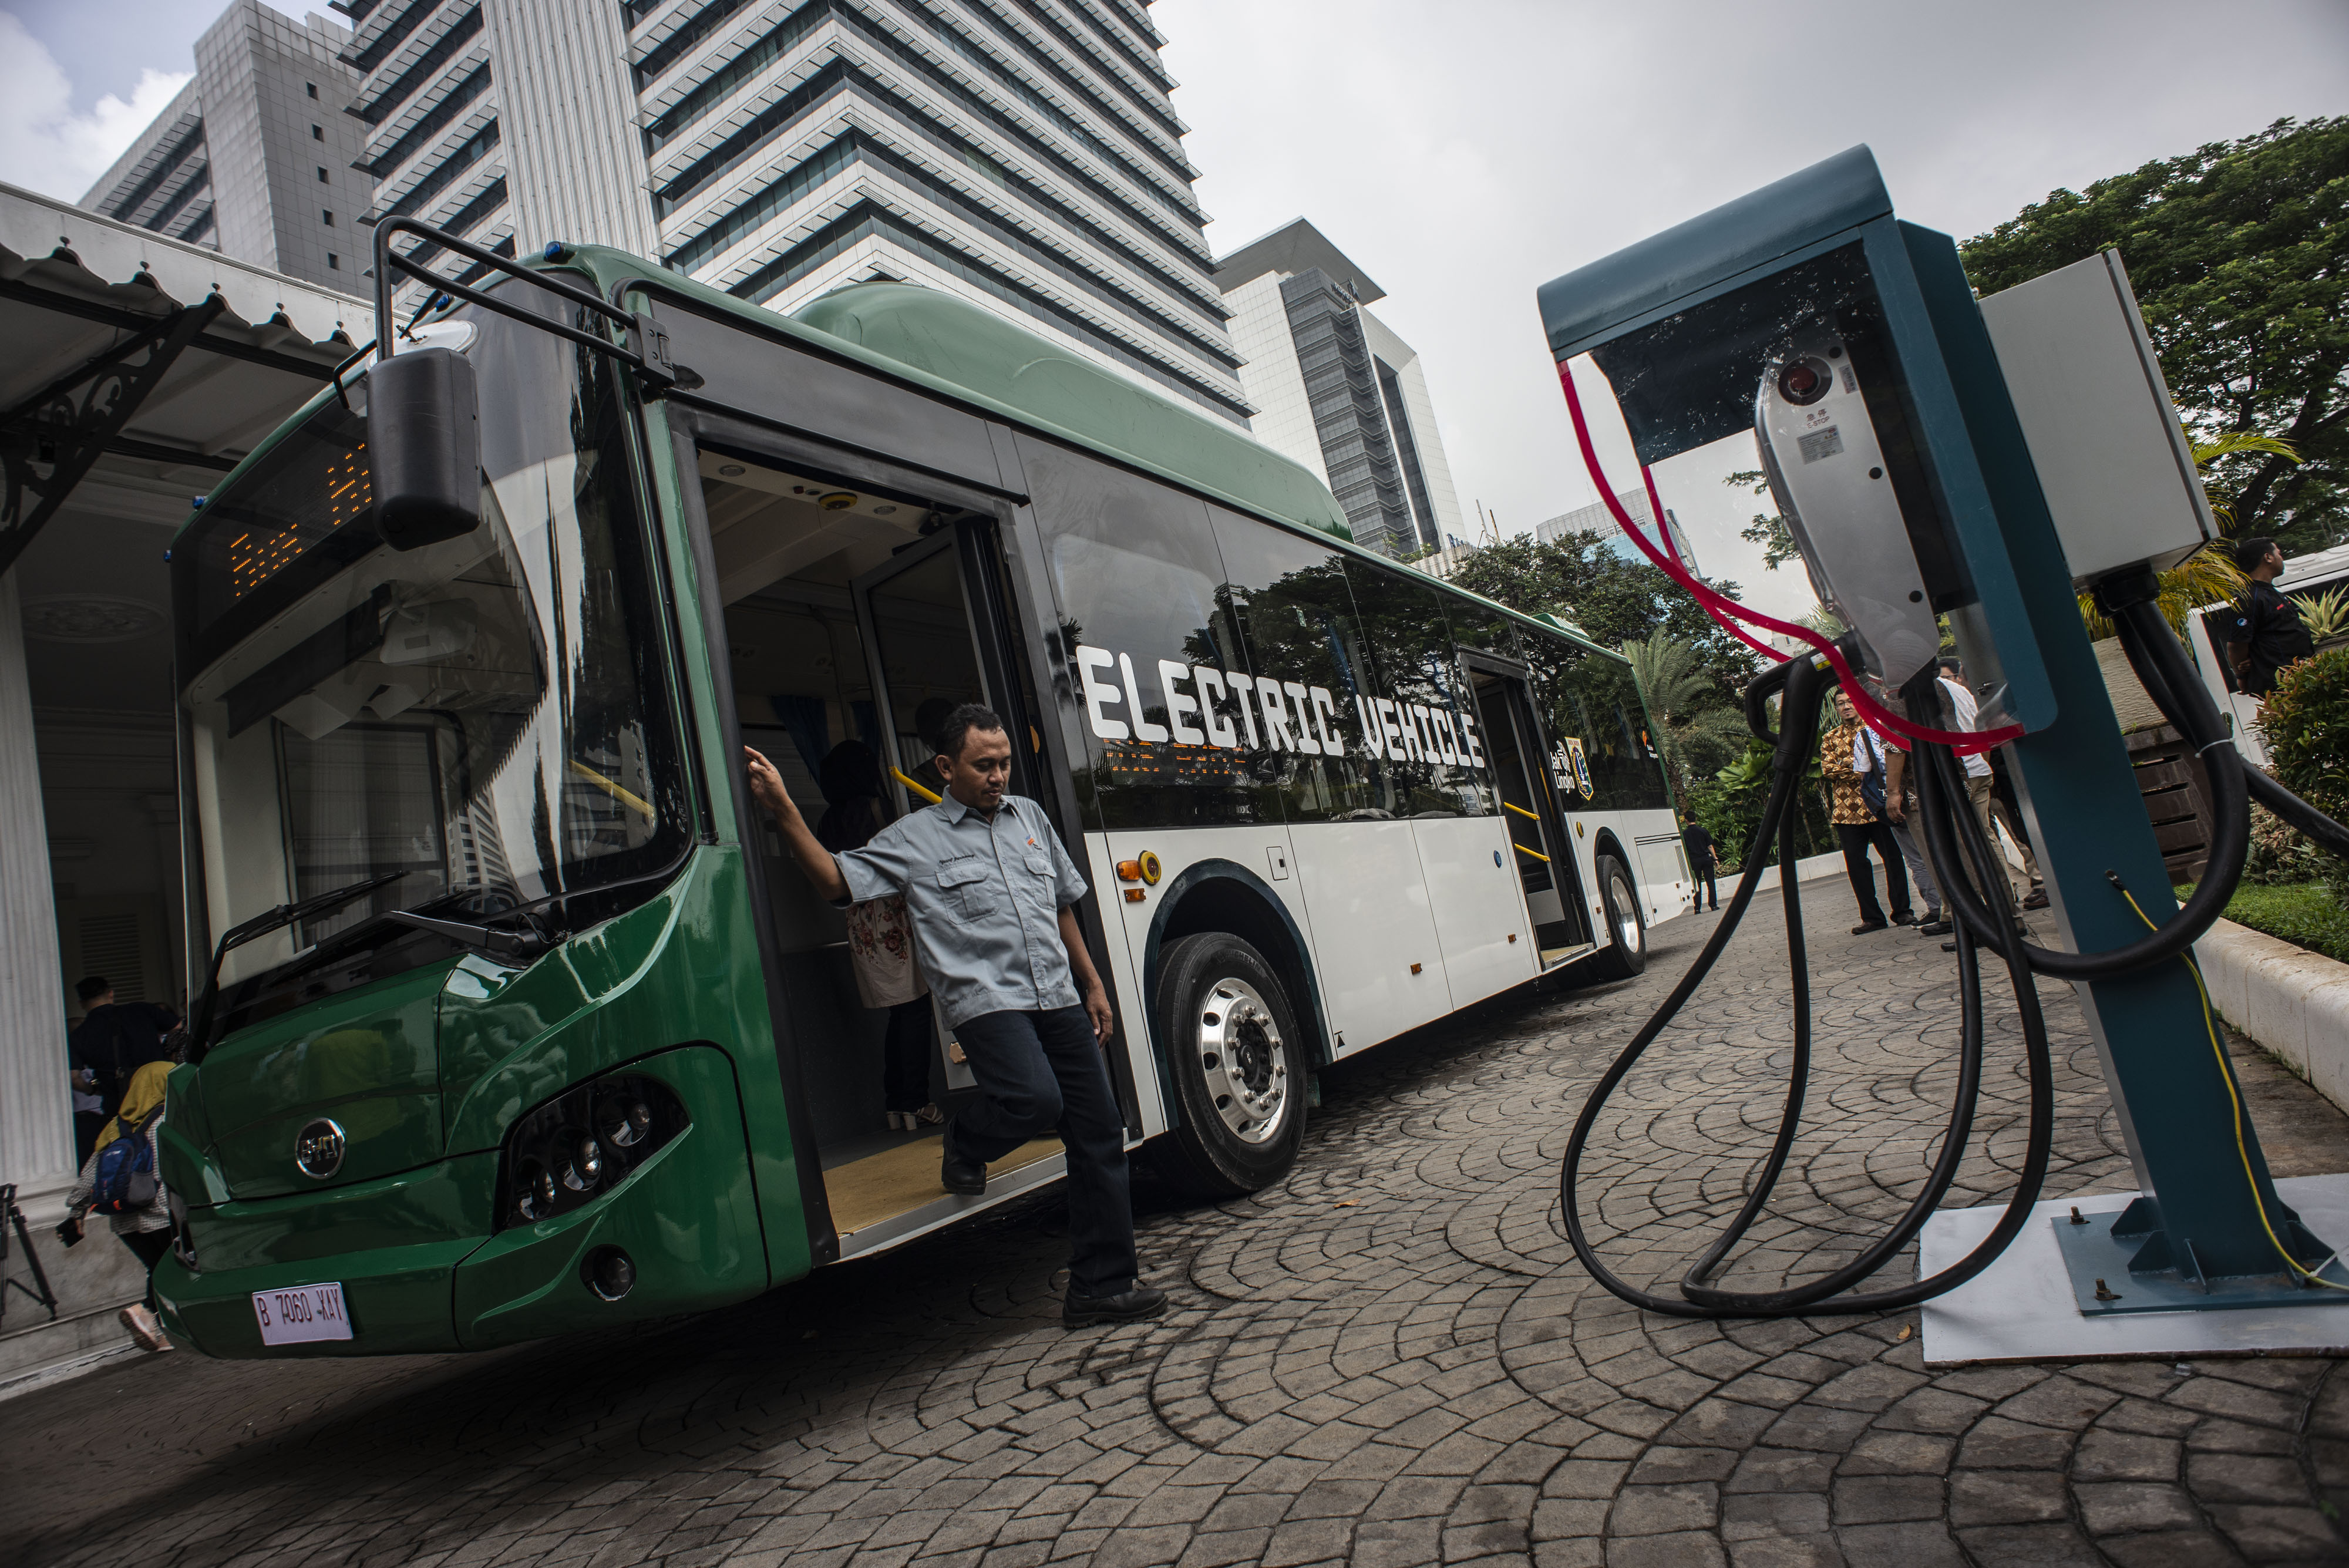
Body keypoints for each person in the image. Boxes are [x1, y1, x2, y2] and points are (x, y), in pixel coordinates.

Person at [743, 704, 1166, 1328]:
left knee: (1100, 1132)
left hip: (1056, 994)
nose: (998, 776)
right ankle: (964, 1140)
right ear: (946, 767)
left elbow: (1060, 905)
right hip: (987, 1003)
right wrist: (784, 811)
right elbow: (836, 881)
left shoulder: (1031, 818)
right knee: (1034, 1101)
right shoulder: (913, 838)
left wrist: (1094, 983)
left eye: (1004, 764)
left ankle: (1101, 1287)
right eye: (983, 765)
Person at [814, 740, 944, 1133]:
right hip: (894, 914)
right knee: (915, 1010)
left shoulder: (827, 821)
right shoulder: (881, 809)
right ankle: (915, 1102)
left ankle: (898, 1103)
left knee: (899, 1012)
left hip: (860, 919)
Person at [65, 1059, 176, 1354]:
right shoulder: (168, 1119)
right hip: (160, 1213)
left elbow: (89, 1176)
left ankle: (160, 1330)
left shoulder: (116, 1126)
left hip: (124, 1218)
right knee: (172, 1268)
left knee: (158, 1268)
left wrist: (76, 1213)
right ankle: (145, 1311)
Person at [1939, 659, 2047, 910]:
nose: (1958, 680)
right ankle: (2011, 896)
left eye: (1955, 676)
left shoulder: (1949, 694)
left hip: (1981, 772)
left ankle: (2031, 887)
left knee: (2006, 833)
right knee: (1994, 833)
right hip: (1984, 770)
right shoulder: (1963, 693)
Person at [1820, 688, 1913, 934]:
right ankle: (1872, 918)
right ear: (1836, 709)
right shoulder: (1830, 737)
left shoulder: (1877, 730)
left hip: (1879, 806)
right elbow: (1828, 769)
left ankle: (1903, 911)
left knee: (1893, 859)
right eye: (1841, 703)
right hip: (1846, 812)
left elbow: (1886, 761)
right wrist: (1864, 767)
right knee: (1857, 865)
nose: (1846, 706)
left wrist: (1852, 765)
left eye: (1850, 701)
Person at [67, 977, 177, 1125]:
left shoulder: (79, 1035)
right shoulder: (141, 1010)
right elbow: (178, 1027)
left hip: (119, 1106)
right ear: (111, 994)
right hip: (162, 1097)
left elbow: (74, 1078)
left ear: (81, 1003)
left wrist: (93, 1090)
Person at [2226, 537, 2314, 698]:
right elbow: (2236, 645)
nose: (2282, 558)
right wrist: (2241, 676)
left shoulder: (2270, 592)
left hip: (2301, 678)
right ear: (2268, 557)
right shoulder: (2250, 599)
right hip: (2283, 686)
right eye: (2279, 553)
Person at [1882, 744, 1950, 937]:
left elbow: (1895, 751)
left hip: (1917, 796)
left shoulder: (1889, 727)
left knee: (1929, 857)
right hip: (1947, 784)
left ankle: (1950, 913)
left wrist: (1893, 794)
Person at [1681, 817, 1720, 912]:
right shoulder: (1703, 831)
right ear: (1696, 819)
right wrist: (1715, 859)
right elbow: (1710, 846)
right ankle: (1713, 905)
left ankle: (1697, 908)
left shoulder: (1684, 834)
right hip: (1706, 859)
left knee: (1697, 884)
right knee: (1710, 883)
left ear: (1686, 820)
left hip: (1694, 861)